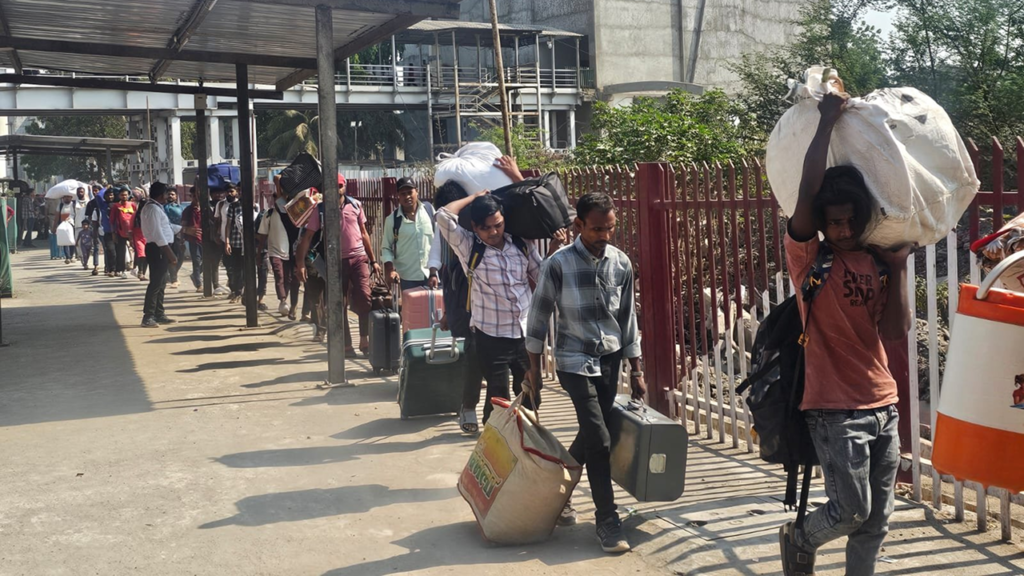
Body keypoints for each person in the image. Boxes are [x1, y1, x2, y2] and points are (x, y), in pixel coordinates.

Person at [777, 92, 912, 576]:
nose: (843, 229)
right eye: (833, 222)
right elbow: (807, 193)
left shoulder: (876, 263)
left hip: (883, 403)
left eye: (850, 220)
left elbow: (895, 331)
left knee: (876, 522)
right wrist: (828, 122)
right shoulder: (809, 260)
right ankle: (800, 535)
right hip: (834, 410)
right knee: (849, 513)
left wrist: (896, 270)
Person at [524, 192, 644, 554]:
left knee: (593, 436)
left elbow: (627, 321)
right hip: (573, 361)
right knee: (600, 439)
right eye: (596, 228)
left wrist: (636, 368)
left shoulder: (621, 264)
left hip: (608, 361)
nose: (604, 235)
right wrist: (533, 373)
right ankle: (607, 521)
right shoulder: (558, 264)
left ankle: (554, 493)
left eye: (610, 228)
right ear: (578, 225)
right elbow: (538, 319)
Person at [435, 189, 543, 427]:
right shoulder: (468, 246)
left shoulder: (521, 245)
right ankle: (496, 449)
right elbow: (443, 216)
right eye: (486, 228)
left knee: (531, 395)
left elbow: (543, 276)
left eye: (498, 225)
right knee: (499, 398)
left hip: (524, 335)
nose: (494, 232)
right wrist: (473, 197)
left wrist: (556, 247)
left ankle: (524, 446)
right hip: (491, 337)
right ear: (475, 226)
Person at [295, 174, 380, 352]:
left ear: (344, 186)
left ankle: (364, 339)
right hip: (335, 262)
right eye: (334, 187)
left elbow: (364, 233)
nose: (337, 190)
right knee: (338, 304)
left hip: (358, 258)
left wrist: (373, 261)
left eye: (340, 186)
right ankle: (346, 344)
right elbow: (307, 237)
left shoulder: (355, 205)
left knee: (365, 298)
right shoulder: (320, 210)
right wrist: (301, 263)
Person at [380, 177, 436, 291]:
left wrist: (435, 271)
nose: (407, 197)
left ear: (417, 191)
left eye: (410, 192)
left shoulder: (429, 211)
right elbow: (386, 247)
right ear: (398, 196)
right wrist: (390, 269)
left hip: (432, 275)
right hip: (407, 278)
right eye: (403, 194)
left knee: (434, 308)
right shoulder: (392, 220)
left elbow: (438, 241)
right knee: (412, 308)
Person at [257, 180, 301, 318]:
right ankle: (283, 301)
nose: (278, 200)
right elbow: (262, 235)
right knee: (280, 276)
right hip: (275, 252)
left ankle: (293, 306)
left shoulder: (293, 213)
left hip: (292, 252)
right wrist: (259, 252)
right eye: (276, 197)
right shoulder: (268, 214)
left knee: (293, 280)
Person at [139, 182, 178, 327]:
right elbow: (157, 233)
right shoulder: (152, 209)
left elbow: (166, 227)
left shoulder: (155, 207)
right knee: (156, 283)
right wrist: (170, 254)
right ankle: (148, 316)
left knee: (162, 282)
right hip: (158, 248)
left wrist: (184, 229)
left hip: (160, 247)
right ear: (162, 195)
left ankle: (158, 313)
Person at [220, 185, 246, 302]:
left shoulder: (253, 206)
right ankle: (236, 291)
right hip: (236, 242)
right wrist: (227, 242)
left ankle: (243, 292)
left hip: (248, 244)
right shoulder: (234, 206)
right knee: (236, 269)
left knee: (245, 270)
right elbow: (228, 225)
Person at [180, 187, 204, 292]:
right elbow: (182, 227)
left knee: (208, 261)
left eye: (198, 196)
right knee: (196, 260)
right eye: (194, 196)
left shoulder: (206, 209)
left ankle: (195, 275)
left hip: (206, 239)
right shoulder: (188, 210)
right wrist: (186, 232)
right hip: (194, 239)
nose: (196, 198)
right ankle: (199, 284)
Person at [110, 187, 136, 278]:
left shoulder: (132, 205)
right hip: (120, 232)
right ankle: (120, 270)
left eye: (125, 195)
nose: (124, 196)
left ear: (128, 195)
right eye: (122, 195)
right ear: (119, 196)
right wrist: (113, 233)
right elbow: (112, 220)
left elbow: (136, 217)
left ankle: (136, 269)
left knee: (137, 250)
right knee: (121, 251)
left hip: (132, 232)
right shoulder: (116, 206)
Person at [163, 188, 186, 288]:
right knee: (170, 256)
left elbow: (184, 221)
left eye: (172, 194)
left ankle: (173, 273)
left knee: (180, 256)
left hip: (178, 235)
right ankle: (174, 278)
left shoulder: (180, 208)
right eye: (168, 194)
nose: (170, 196)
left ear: (176, 196)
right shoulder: (161, 208)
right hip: (166, 235)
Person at [70, 187, 90, 262]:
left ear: (84, 192)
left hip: (88, 227)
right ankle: (82, 259)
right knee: (78, 244)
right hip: (78, 226)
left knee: (87, 244)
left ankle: (86, 258)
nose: (80, 193)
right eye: (79, 192)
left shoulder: (88, 202)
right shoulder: (73, 203)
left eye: (82, 191)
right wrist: (70, 221)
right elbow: (71, 214)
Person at [54, 194, 76, 264]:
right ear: (63, 198)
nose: (66, 199)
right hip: (63, 226)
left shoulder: (74, 205)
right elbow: (57, 217)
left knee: (72, 240)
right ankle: (67, 257)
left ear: (71, 198)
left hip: (72, 225)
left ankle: (71, 255)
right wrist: (54, 227)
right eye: (65, 197)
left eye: (68, 197)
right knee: (65, 241)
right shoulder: (60, 206)